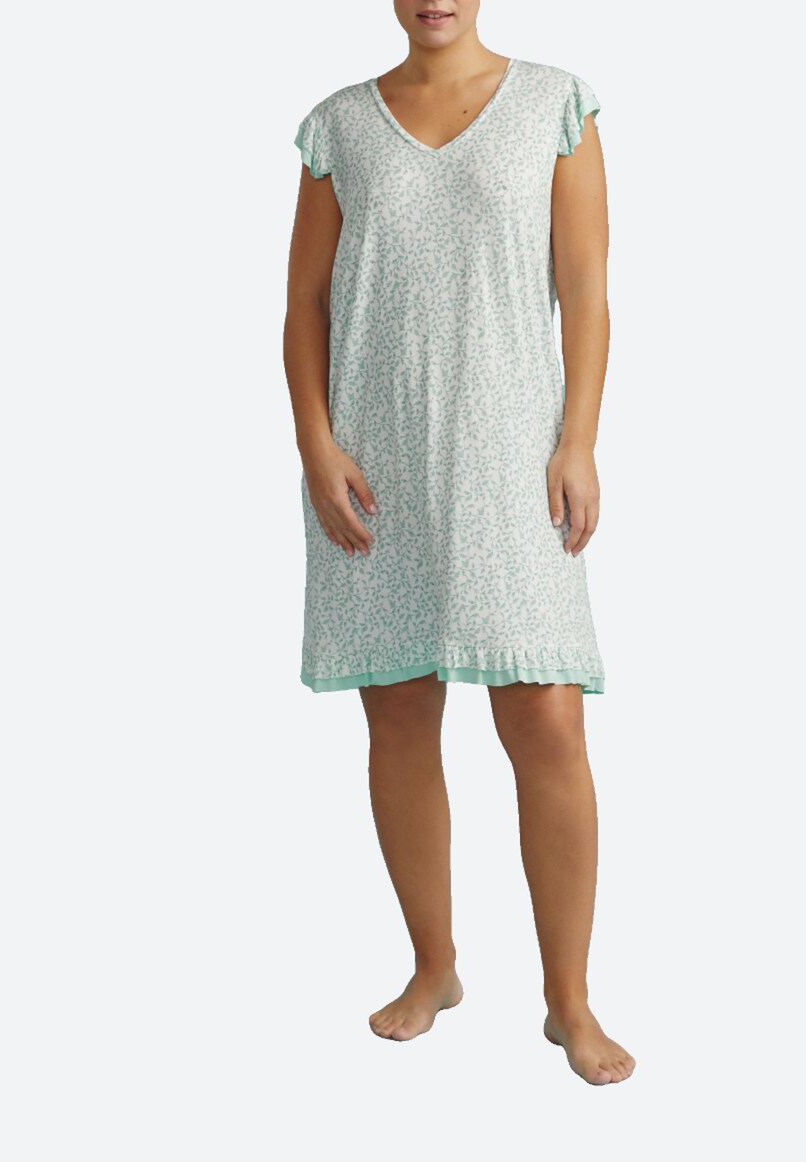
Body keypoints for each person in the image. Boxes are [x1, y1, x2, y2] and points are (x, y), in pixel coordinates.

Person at [283, 1, 635, 1086]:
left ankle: (568, 1000)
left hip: (512, 454)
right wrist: (315, 446)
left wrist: (577, 440)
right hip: (375, 458)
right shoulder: (340, 125)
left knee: (546, 718)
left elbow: (586, 291)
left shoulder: (553, 106)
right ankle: (432, 967)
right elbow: (303, 305)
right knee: (397, 712)